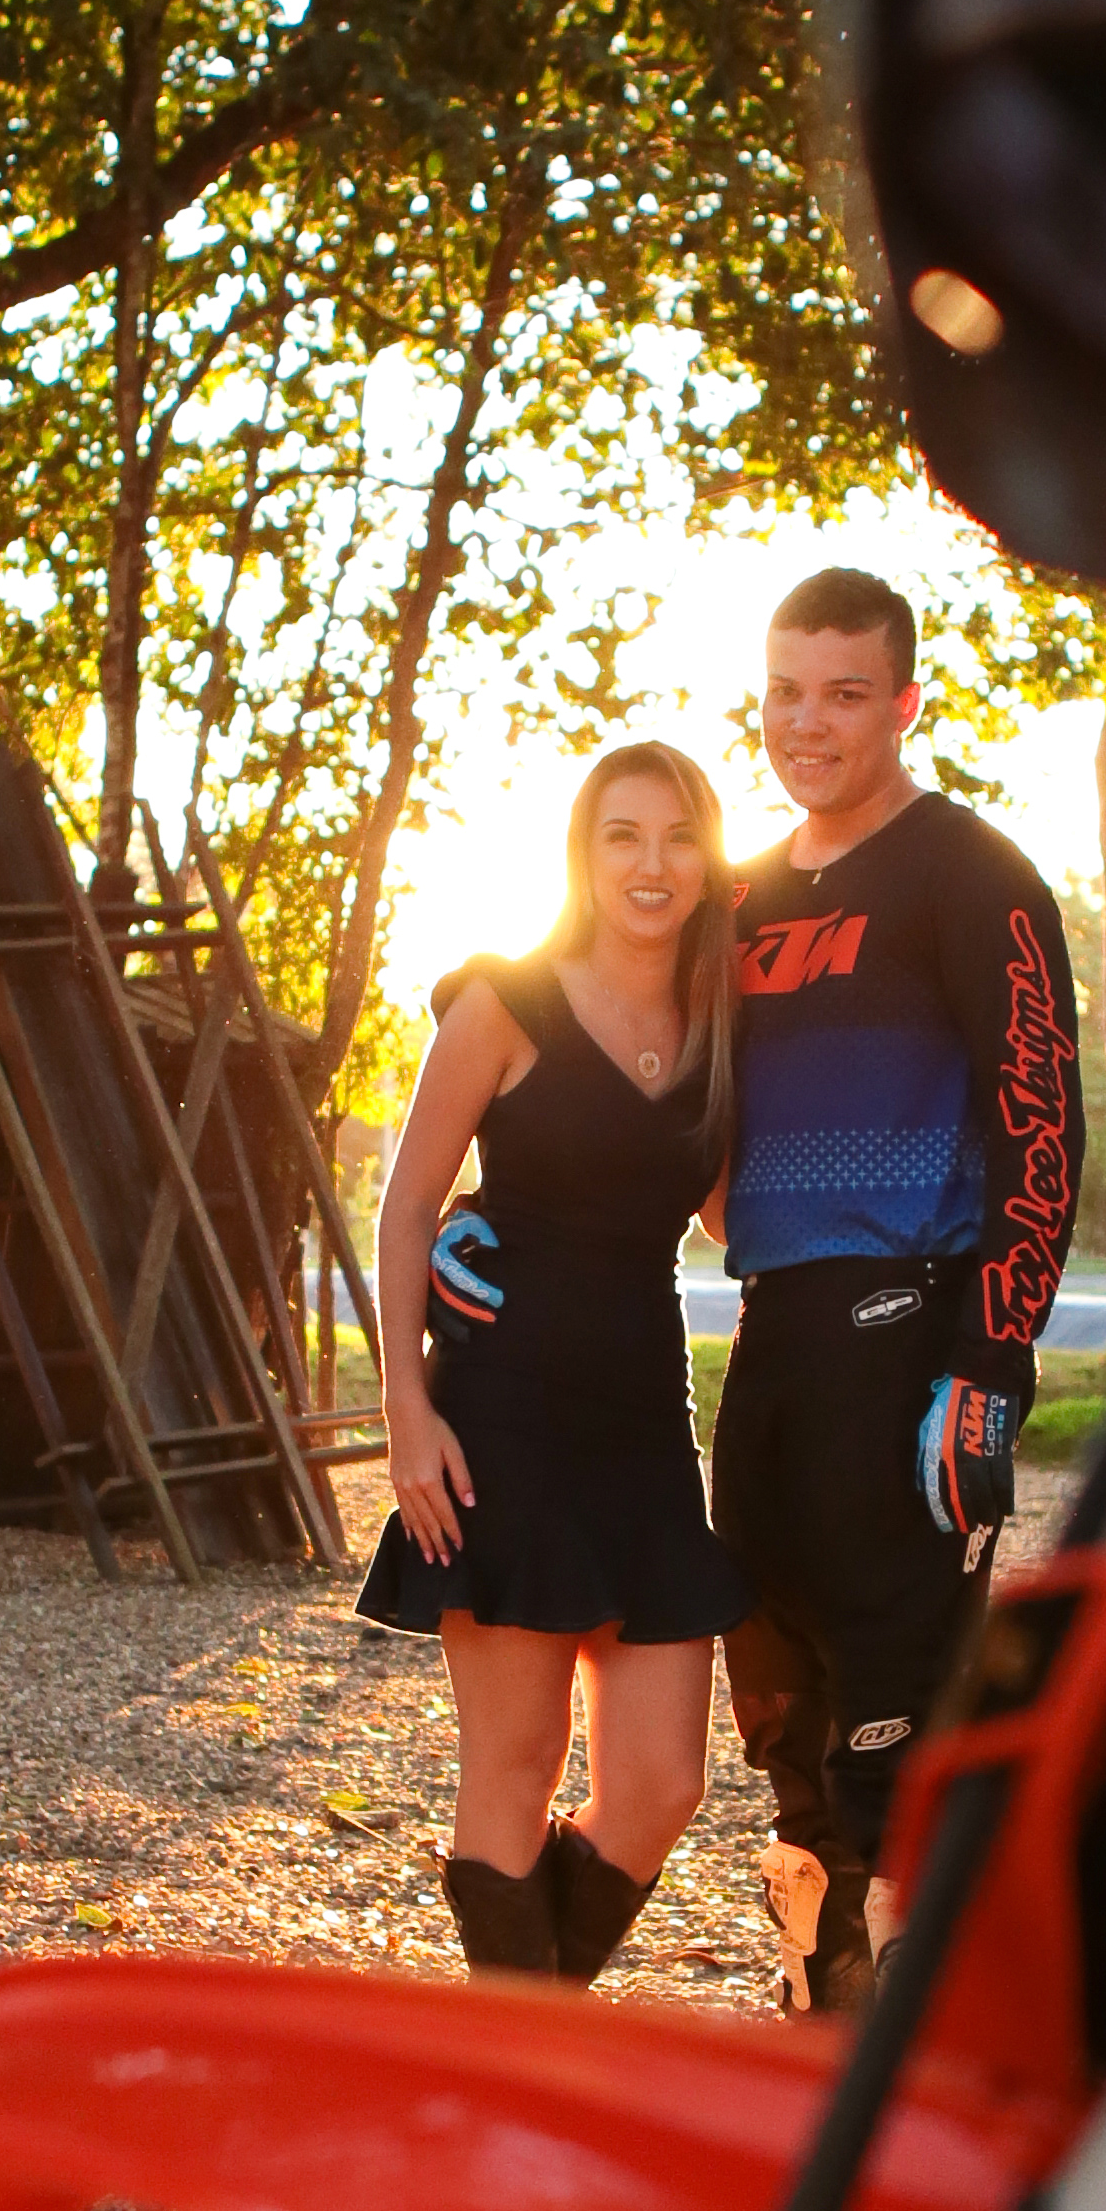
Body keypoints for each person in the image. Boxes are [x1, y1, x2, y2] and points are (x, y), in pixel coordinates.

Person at [712, 564, 1083, 2010]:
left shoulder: (974, 877)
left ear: (904, 702)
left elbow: (1042, 1133)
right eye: (788, 690)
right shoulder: (738, 898)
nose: (810, 722)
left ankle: (952, 2014)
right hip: (773, 1342)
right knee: (778, 1698)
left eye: (845, 693)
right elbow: (637, 1074)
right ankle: (824, 1991)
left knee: (907, 1694)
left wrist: (989, 1365)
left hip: (918, 1336)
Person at [357, 741, 748, 1984]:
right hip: (504, 1422)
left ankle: (518, 2027)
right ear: (582, 854)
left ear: (708, 858)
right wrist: (404, 1408)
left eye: (678, 836)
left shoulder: (722, 1024)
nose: (651, 863)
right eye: (622, 835)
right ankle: (514, 2071)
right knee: (514, 1774)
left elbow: (733, 1217)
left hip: (642, 1427)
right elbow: (407, 1206)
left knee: (663, 1785)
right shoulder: (506, 1003)